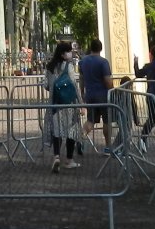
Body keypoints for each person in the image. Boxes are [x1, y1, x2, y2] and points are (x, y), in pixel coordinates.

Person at [45, 42, 82, 171]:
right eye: (69, 51)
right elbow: (74, 86)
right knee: (72, 130)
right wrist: (81, 103)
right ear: (63, 54)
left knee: (57, 131)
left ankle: (56, 156)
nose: (71, 53)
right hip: (69, 103)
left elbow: (47, 86)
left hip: (54, 103)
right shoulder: (69, 66)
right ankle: (69, 159)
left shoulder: (50, 67)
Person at [78, 38, 116, 150]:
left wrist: (82, 92)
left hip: (90, 94)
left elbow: (81, 79)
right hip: (103, 94)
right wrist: (113, 90)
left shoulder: (83, 62)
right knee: (107, 120)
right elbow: (107, 80)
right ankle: (108, 146)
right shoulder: (103, 62)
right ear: (101, 48)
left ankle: (80, 138)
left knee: (90, 120)